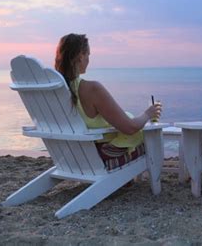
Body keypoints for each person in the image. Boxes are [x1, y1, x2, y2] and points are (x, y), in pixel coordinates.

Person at [55, 33, 162, 170]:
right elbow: (130, 128)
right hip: (98, 155)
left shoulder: (56, 91)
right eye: (88, 55)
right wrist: (148, 113)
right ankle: (155, 184)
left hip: (70, 155)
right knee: (152, 140)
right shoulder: (91, 89)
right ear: (81, 56)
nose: (88, 59)